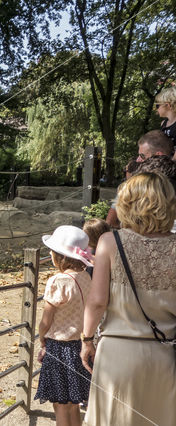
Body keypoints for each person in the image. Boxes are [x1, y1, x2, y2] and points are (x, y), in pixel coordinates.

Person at [80, 172, 176, 425]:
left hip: (117, 353)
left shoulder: (109, 242)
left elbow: (97, 300)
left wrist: (87, 339)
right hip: (165, 356)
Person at [35, 225, 93, 426]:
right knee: (73, 402)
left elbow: (46, 319)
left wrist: (42, 336)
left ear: (59, 256)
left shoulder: (58, 281)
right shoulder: (86, 277)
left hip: (59, 348)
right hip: (80, 345)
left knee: (60, 403)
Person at [106, 131, 174, 228]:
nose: (138, 159)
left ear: (158, 155)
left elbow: (110, 221)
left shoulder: (137, 183)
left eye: (142, 156)